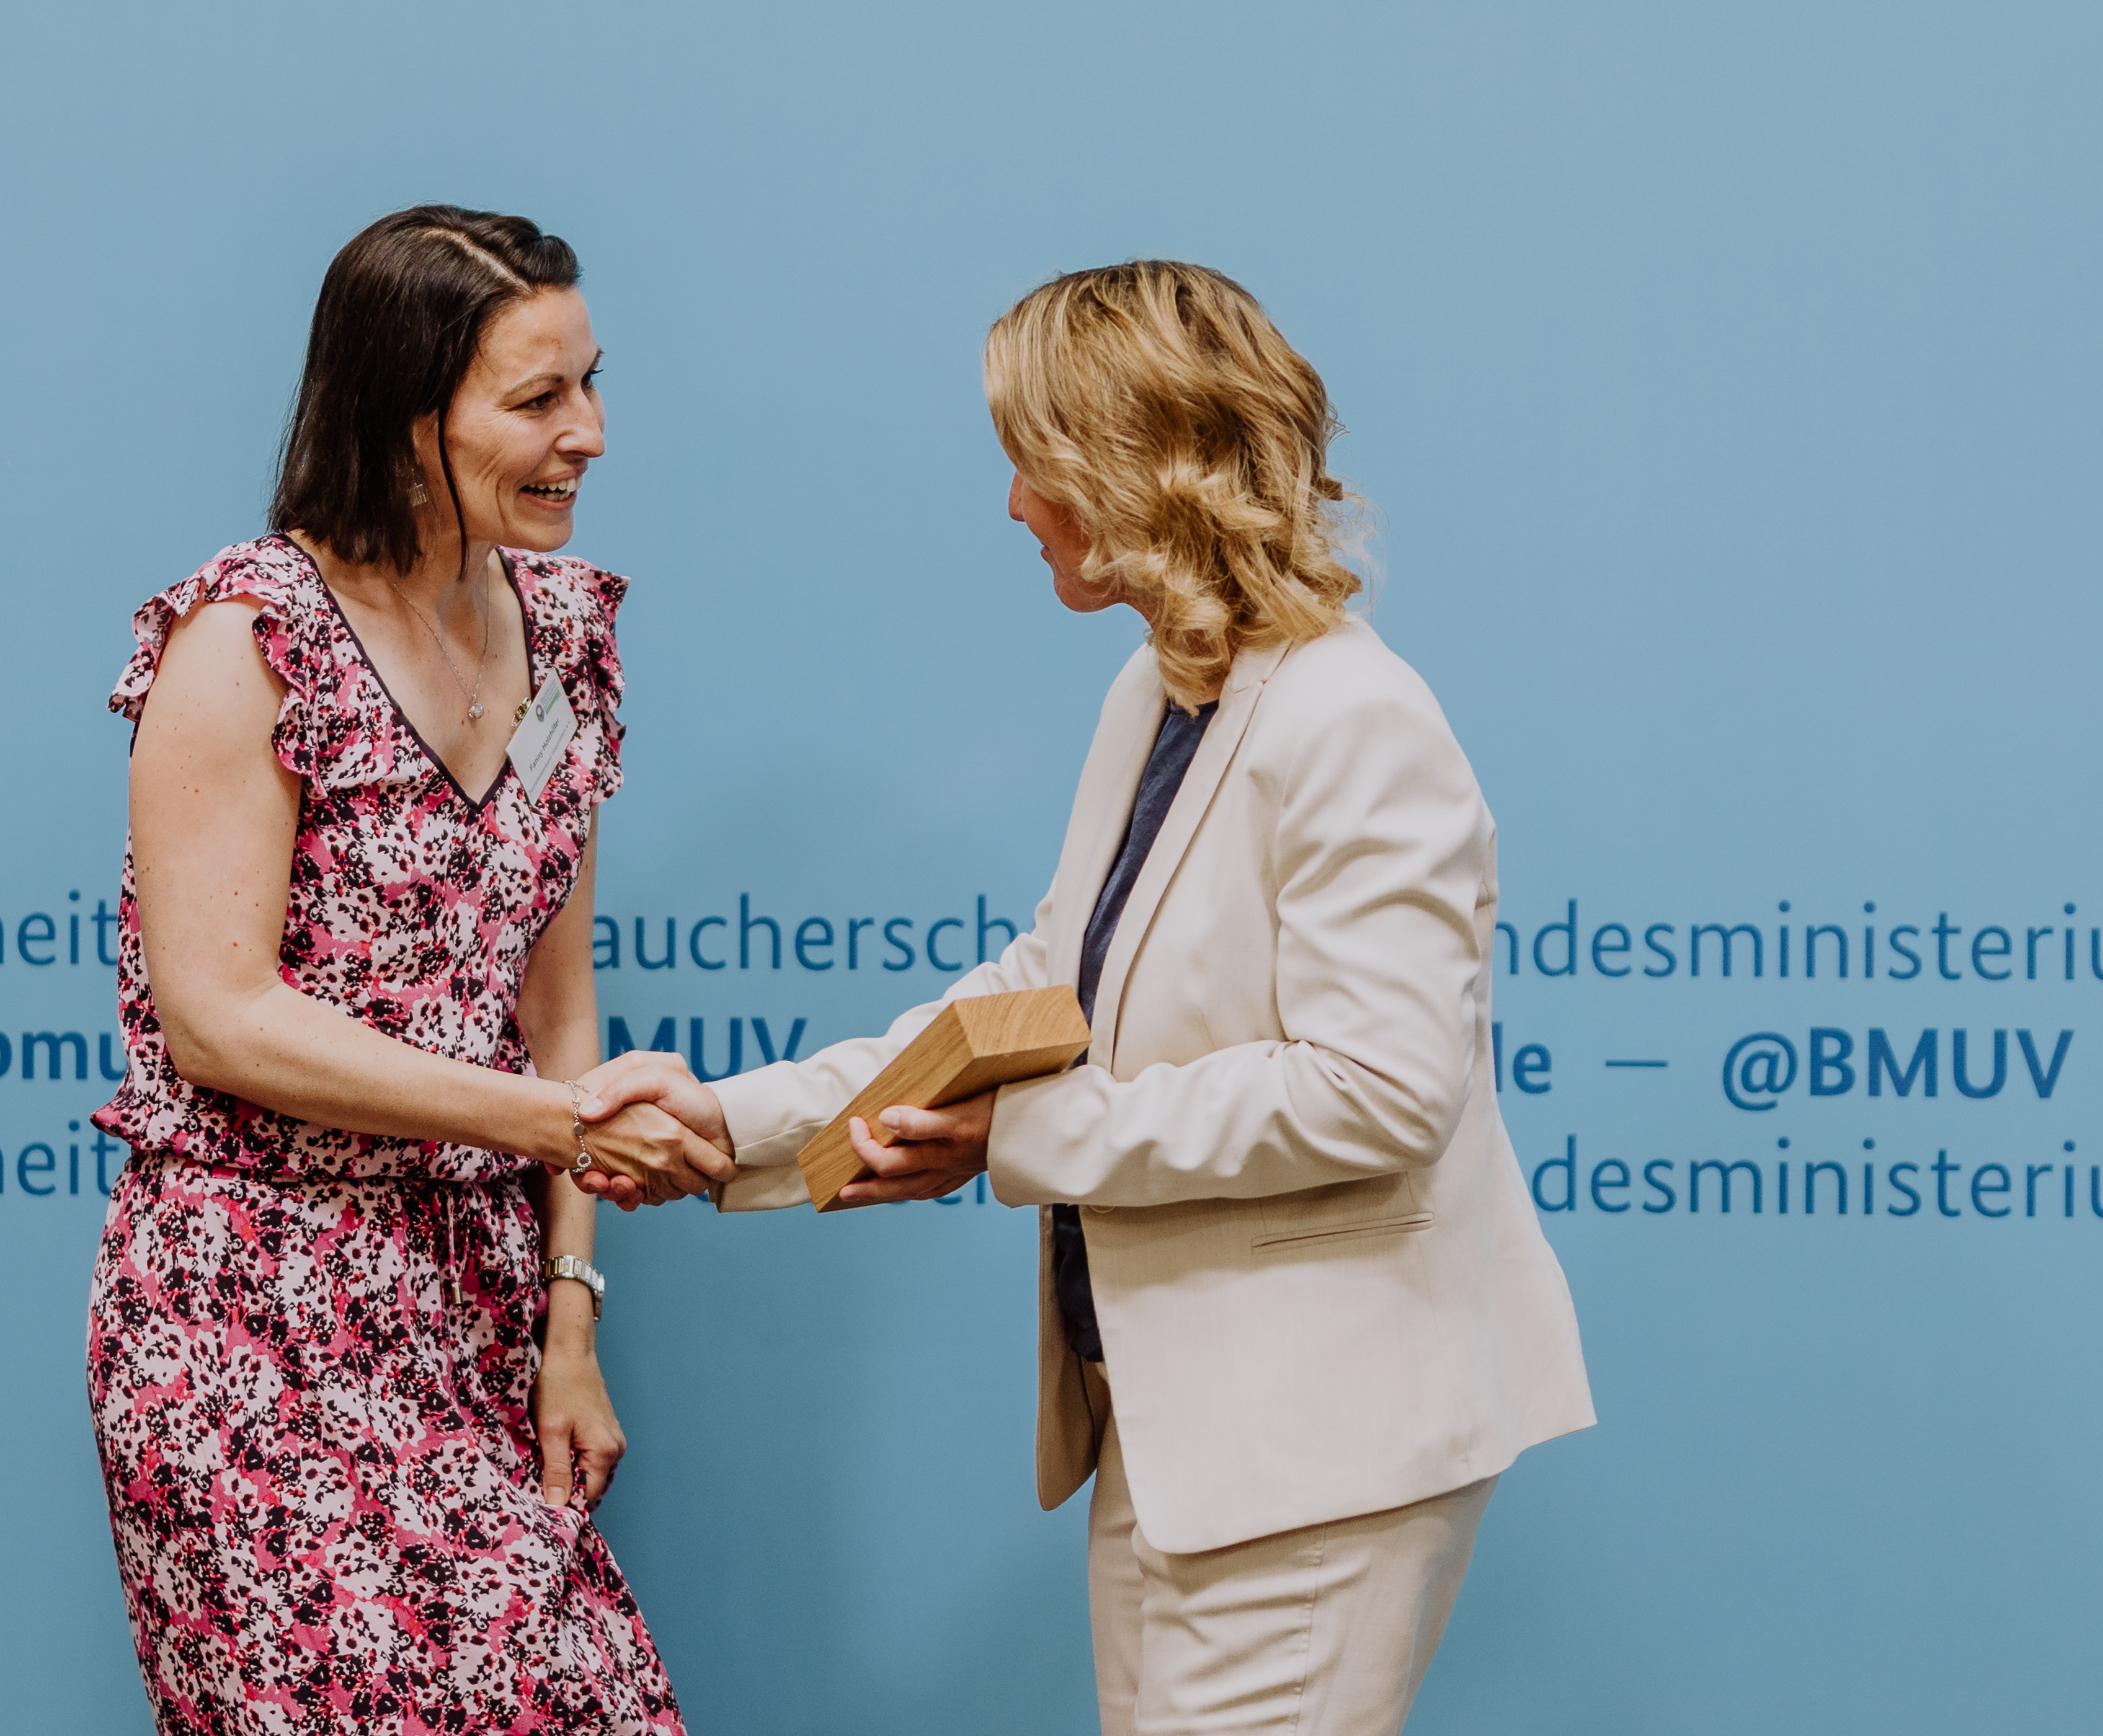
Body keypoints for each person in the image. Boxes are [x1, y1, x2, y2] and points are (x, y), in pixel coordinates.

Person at [577, 261, 1595, 1735]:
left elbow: (1379, 1087)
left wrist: (1017, 1140)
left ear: (1136, 461)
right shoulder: (1166, 688)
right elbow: (1036, 991)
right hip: (1186, 1428)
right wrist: (729, 1118)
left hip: (1321, 1445)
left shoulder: (1354, 716)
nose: (1009, 505)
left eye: (1029, 461)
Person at [86, 205, 729, 1736]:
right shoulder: (248, 638)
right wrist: (555, 1124)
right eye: (536, 399)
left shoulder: (568, 631)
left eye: (589, 383)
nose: (589, 432)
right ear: (402, 411)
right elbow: (221, 1017)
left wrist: (569, 1312)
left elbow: (557, 1008)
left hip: (481, 1310)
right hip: (249, 1317)